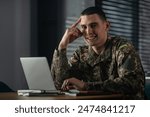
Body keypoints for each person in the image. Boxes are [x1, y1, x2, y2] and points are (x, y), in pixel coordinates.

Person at [51, 6, 145, 99]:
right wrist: (62, 46)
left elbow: (132, 82)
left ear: (107, 26)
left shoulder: (123, 48)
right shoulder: (81, 53)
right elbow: (60, 84)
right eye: (84, 27)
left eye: (93, 25)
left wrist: (86, 86)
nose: (89, 31)